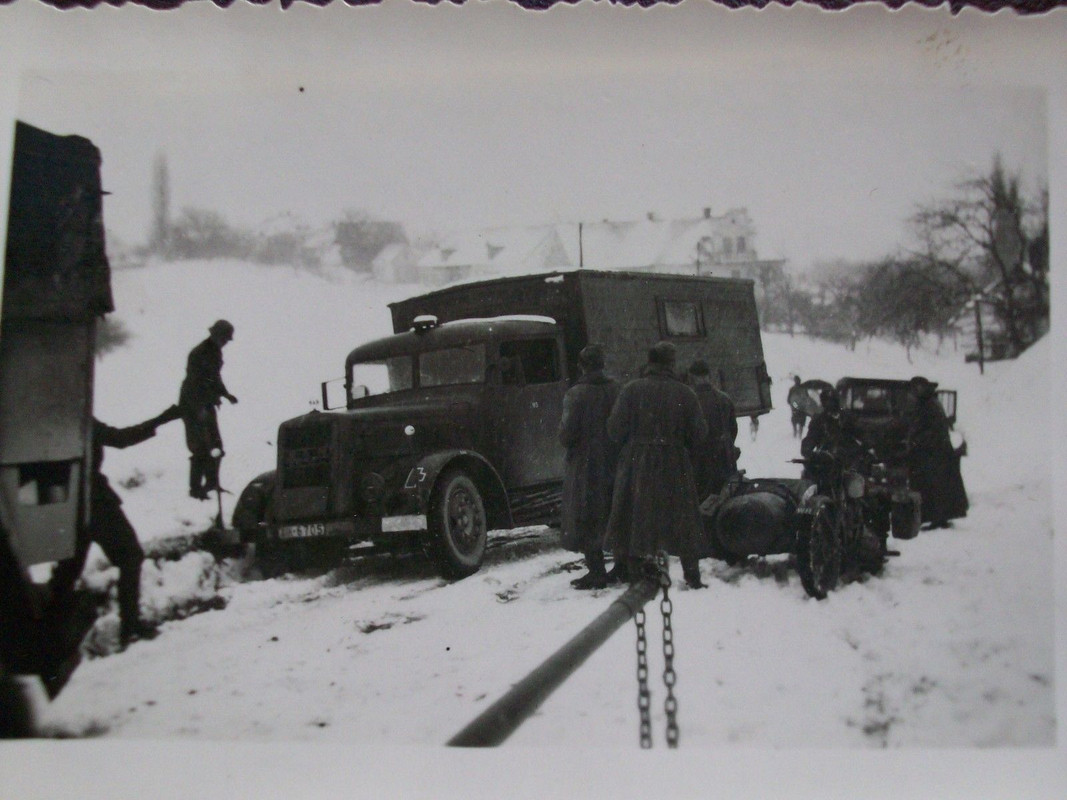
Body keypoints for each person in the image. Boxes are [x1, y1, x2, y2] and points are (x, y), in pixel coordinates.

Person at [50, 407, 181, 648]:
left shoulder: (40, 421)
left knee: (67, 573)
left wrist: (161, 419)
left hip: (68, 507)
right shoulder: (75, 417)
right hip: (97, 504)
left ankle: (46, 639)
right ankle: (129, 627)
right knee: (129, 556)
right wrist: (162, 418)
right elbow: (120, 439)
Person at [605, 341, 708, 589]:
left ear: (649, 363)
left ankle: (635, 576)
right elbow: (700, 434)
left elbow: (614, 430)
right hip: (674, 462)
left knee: (636, 514)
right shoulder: (686, 393)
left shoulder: (631, 390)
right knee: (683, 516)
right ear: (671, 364)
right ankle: (692, 575)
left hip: (637, 462)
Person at [558, 344, 620, 590]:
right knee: (615, 508)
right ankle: (623, 565)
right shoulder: (617, 389)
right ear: (602, 364)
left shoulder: (576, 394)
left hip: (587, 463)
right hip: (616, 460)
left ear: (581, 366)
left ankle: (597, 572)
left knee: (587, 514)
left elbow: (566, 435)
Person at [180, 320, 238, 500]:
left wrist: (226, 394)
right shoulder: (199, 353)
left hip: (206, 404)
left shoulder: (214, 351)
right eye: (224, 339)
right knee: (200, 447)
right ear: (215, 335)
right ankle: (196, 489)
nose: (226, 342)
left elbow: (214, 377)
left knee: (216, 446)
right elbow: (195, 383)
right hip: (193, 404)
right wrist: (199, 409)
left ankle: (212, 483)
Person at [905, 376, 968, 529]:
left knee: (934, 486)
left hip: (934, 452)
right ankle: (936, 517)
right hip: (935, 451)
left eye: (916, 388)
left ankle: (937, 518)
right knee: (935, 486)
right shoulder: (929, 402)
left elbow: (930, 429)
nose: (914, 392)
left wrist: (915, 442)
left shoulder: (929, 404)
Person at [686, 360, 738, 499]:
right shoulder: (724, 398)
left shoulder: (689, 400)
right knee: (727, 499)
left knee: (703, 502)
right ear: (709, 376)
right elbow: (733, 430)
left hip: (700, 463)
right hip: (725, 459)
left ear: (692, 378)